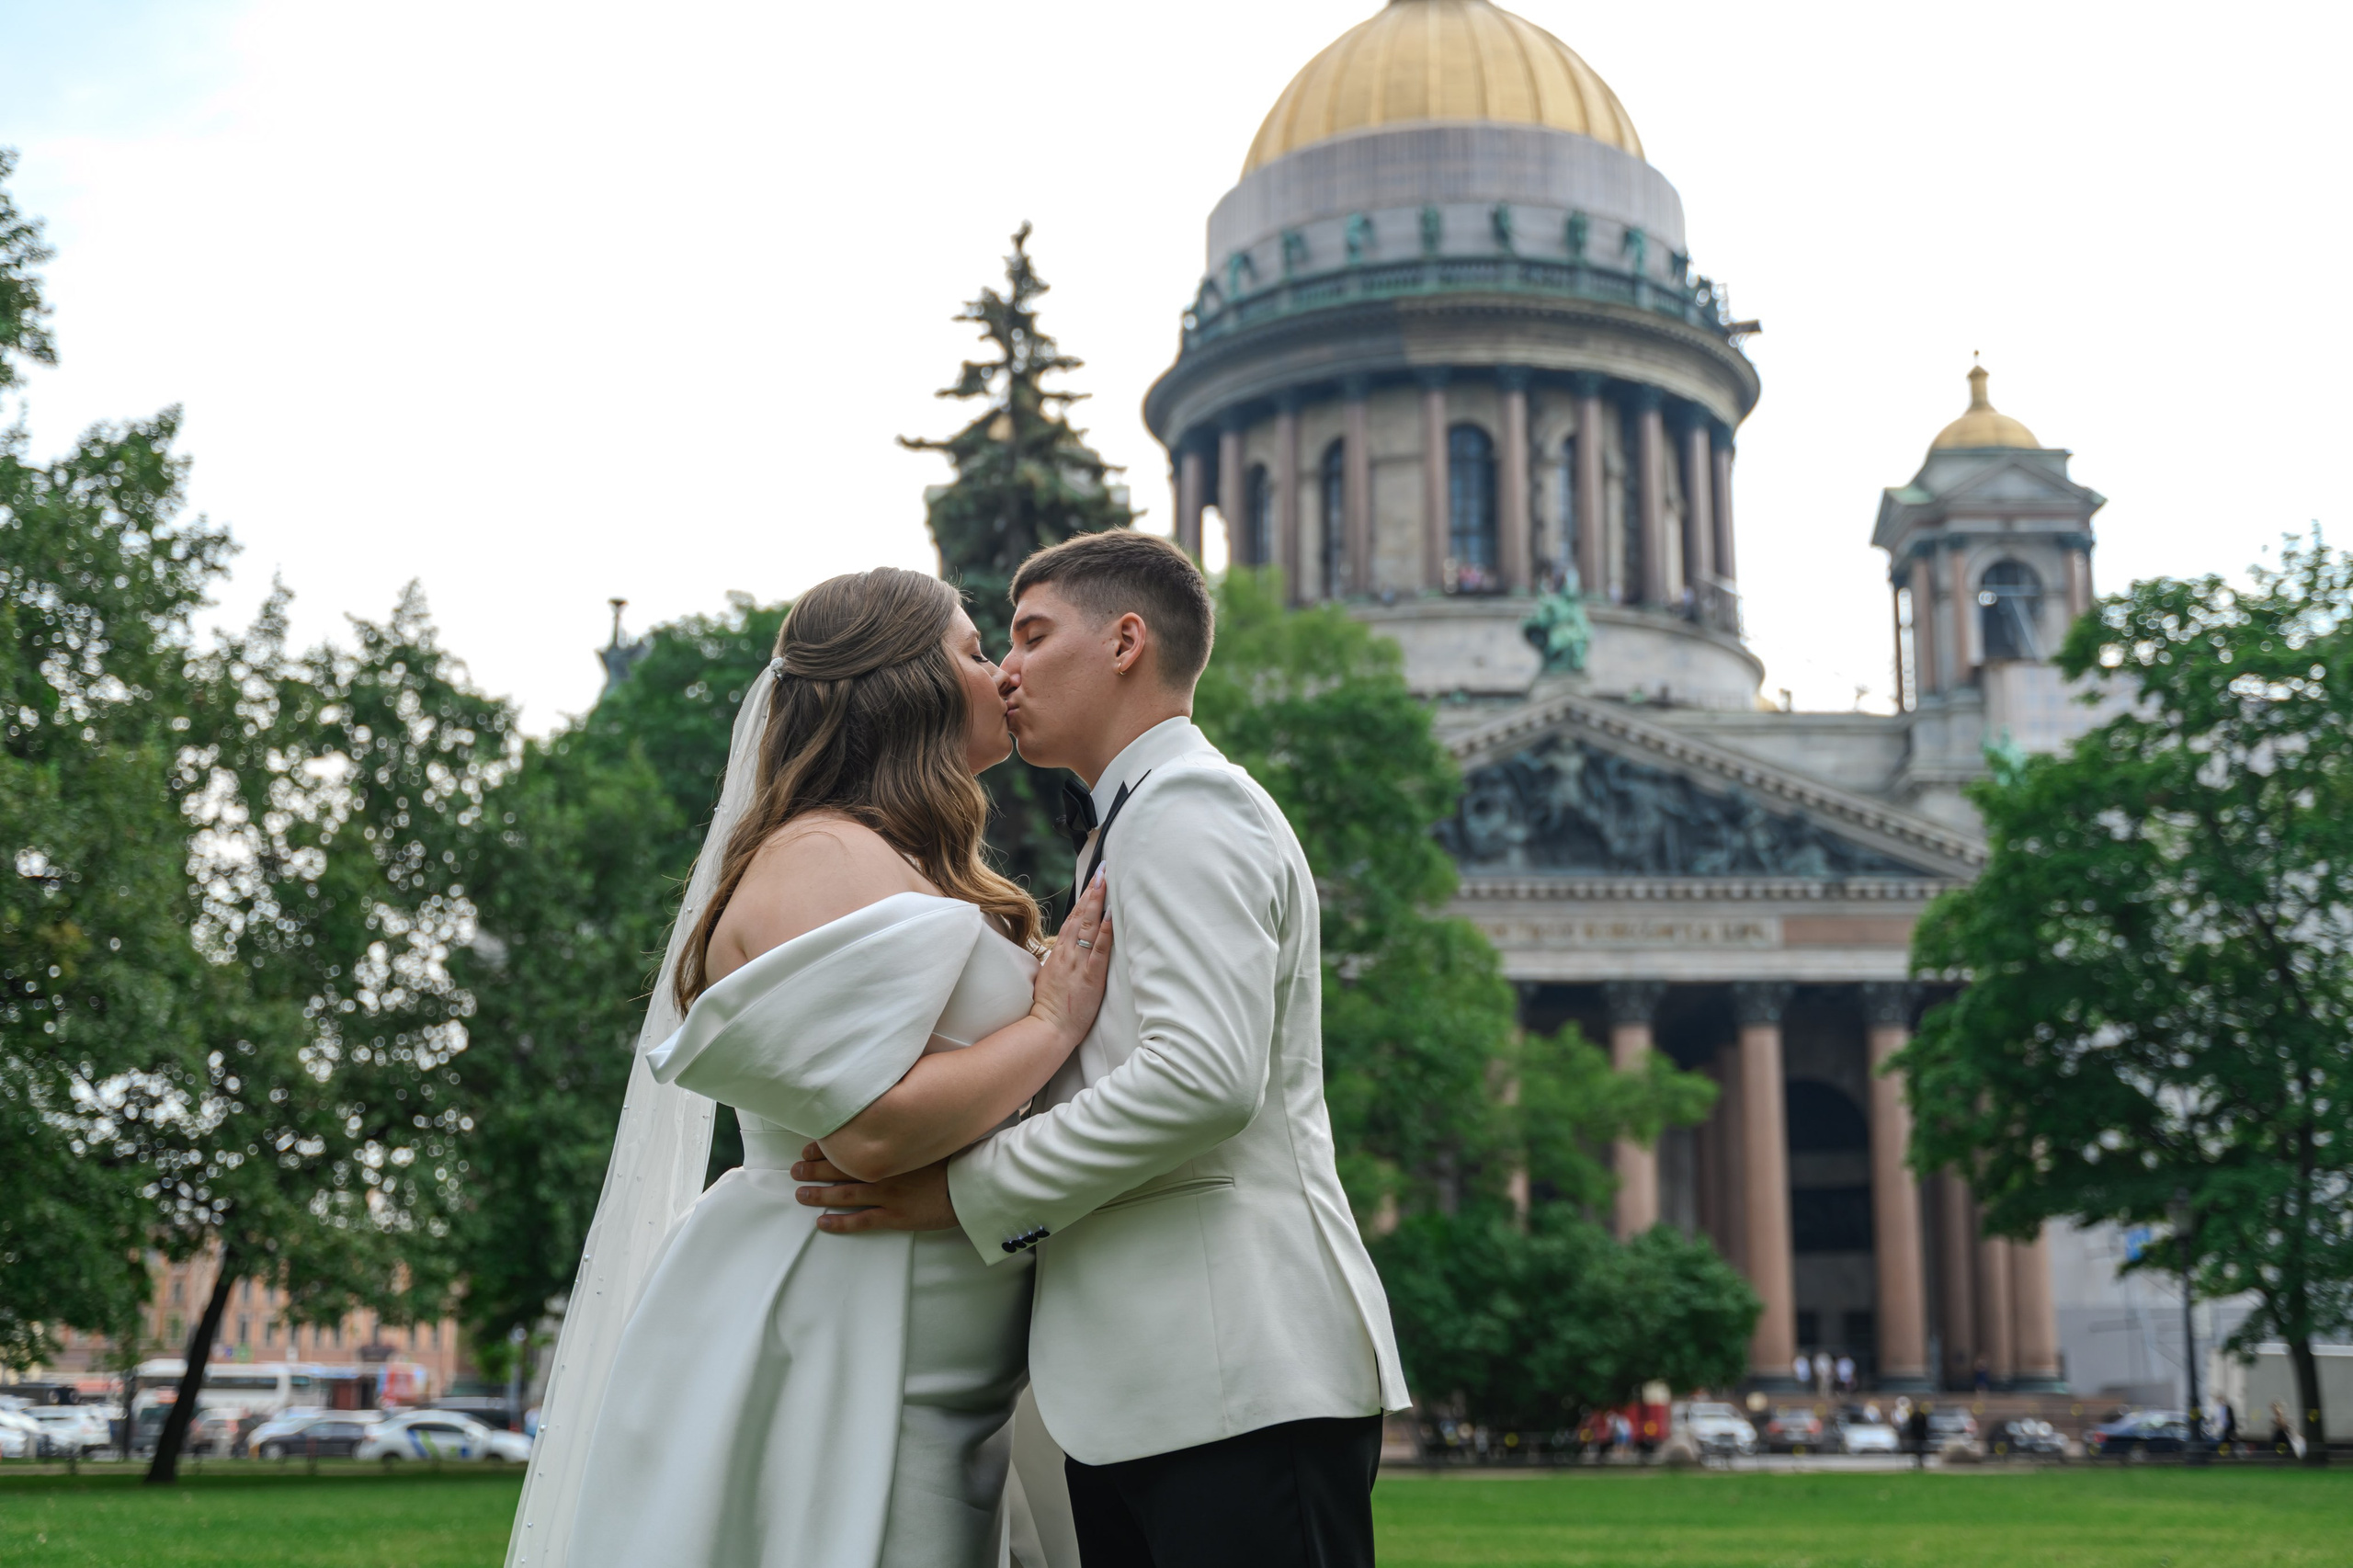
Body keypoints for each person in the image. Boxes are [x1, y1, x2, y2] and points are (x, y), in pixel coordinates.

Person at [793, 531, 1410, 1568]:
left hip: (1234, 1378)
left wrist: (960, 1190)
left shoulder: (1187, 809)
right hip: (1156, 1387)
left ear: (1126, 641)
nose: (1006, 671)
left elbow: (1201, 1078)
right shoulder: (1130, 824)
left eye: (1031, 635)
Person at [514, 568, 1110, 1567]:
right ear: (903, 683)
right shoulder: (824, 855)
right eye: (972, 650)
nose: (1000, 670)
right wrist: (1049, 1023)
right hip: (841, 1326)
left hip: (923, 1332)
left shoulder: (900, 861)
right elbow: (870, 1129)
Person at [1905, 1402, 1931, 1470]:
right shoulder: (1917, 1416)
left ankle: (1919, 1462)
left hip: (1919, 1436)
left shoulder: (1919, 1416)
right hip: (1917, 1436)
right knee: (1917, 1450)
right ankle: (1918, 1462)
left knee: (1920, 1450)